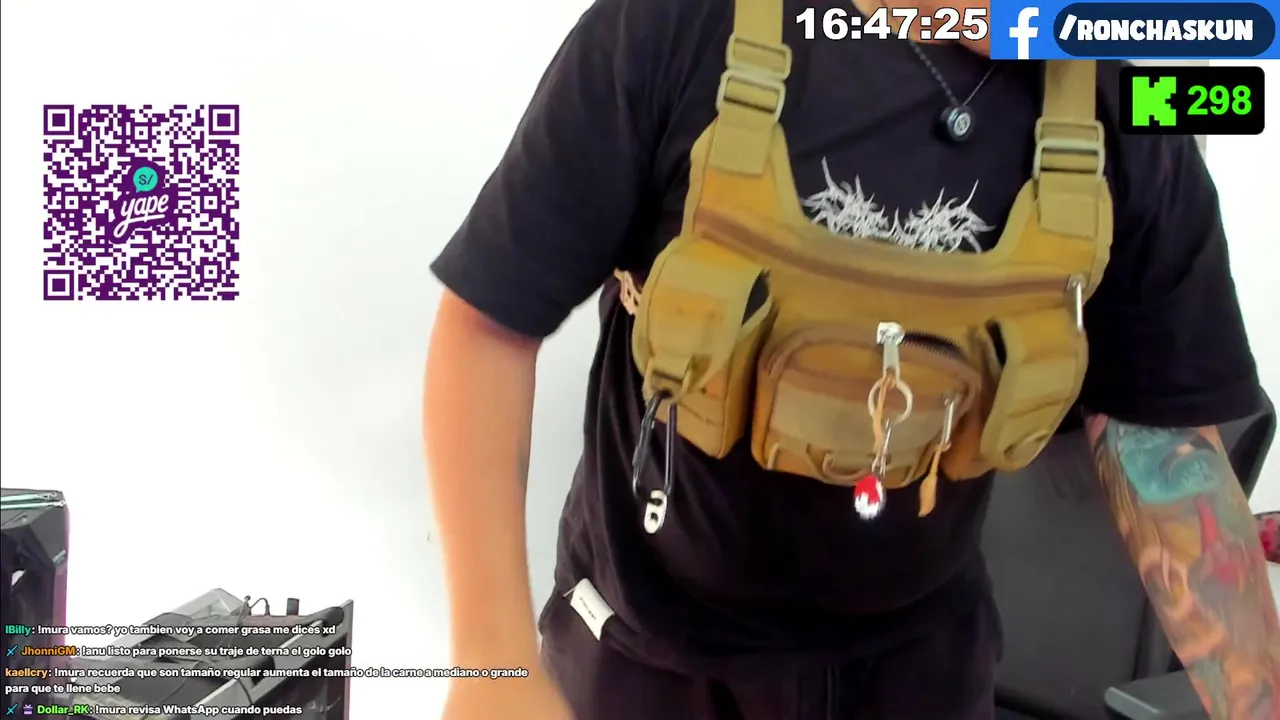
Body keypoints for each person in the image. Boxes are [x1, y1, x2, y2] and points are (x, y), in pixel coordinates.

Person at [423, 0, 1279, 717]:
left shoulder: (1119, 94)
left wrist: (1258, 699)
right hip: (649, 658)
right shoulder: (676, 27)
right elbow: (490, 328)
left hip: (920, 666)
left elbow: (1160, 434)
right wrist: (491, 666)